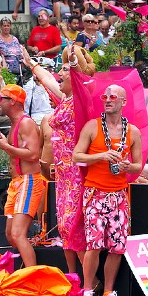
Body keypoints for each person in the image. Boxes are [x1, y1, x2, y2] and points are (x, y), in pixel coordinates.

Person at [72, 84, 143, 296]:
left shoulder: (133, 132)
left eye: (113, 97)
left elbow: (138, 165)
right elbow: (76, 156)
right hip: (95, 192)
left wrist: (127, 167)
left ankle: (108, 293)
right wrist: (101, 156)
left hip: (119, 194)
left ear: (123, 102)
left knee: (117, 246)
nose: (108, 99)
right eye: (105, 96)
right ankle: (87, 291)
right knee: (94, 243)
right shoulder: (92, 126)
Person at [25, 46, 92, 277]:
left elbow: (77, 75)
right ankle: (73, 276)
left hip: (76, 171)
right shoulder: (65, 99)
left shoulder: (82, 100)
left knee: (74, 224)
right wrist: (31, 64)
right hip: (62, 173)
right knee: (64, 225)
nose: (59, 74)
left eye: (64, 71)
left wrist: (73, 62)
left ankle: (90, 281)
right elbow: (47, 79)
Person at [0, 84, 45, 268]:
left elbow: (33, 154)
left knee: (18, 234)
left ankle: (33, 277)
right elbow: (17, 153)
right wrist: (4, 142)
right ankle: (30, 265)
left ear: (13, 101)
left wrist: (5, 146)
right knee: (10, 235)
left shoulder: (26, 123)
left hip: (29, 182)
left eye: (2, 99)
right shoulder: (14, 124)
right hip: (17, 183)